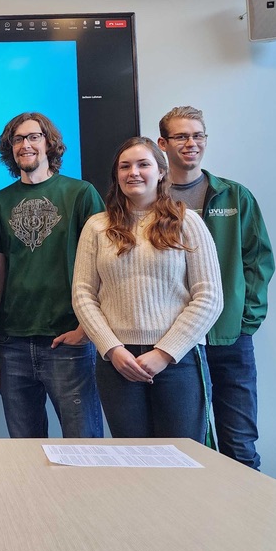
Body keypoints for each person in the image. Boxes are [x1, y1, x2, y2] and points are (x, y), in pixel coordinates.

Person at [72, 137, 221, 441]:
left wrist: (164, 353)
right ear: (116, 175)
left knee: (181, 460)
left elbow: (209, 297)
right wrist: (112, 349)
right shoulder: (96, 227)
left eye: (143, 164)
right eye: (124, 166)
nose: (133, 172)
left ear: (161, 172)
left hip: (178, 362)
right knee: (133, 463)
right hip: (117, 365)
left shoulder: (187, 222)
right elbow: (83, 295)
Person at [158, 106, 274, 468]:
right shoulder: (152, 200)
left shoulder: (234, 196)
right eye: (181, 136)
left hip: (230, 340)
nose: (191, 143)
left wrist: (246, 319)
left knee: (239, 446)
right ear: (163, 143)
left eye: (198, 135)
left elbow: (259, 260)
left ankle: (249, 524)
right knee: (187, 448)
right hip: (174, 341)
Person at [0, 112, 105, 438]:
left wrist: (86, 330)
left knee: (85, 447)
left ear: (49, 143)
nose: (26, 145)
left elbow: (105, 267)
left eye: (34, 137)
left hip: (68, 341)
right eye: (18, 139)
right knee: (25, 452)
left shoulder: (81, 194)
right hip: (14, 345)